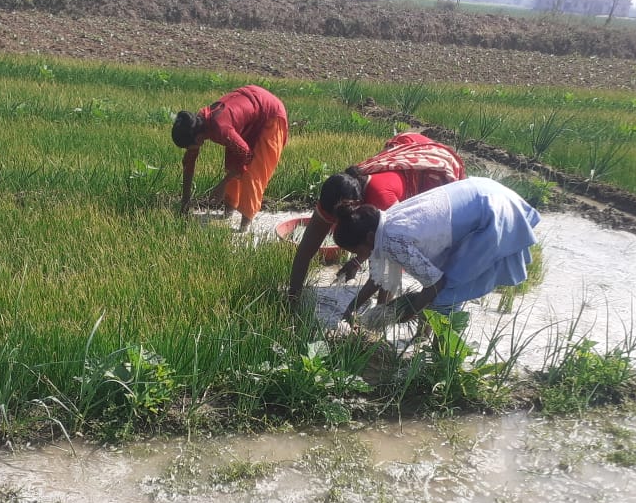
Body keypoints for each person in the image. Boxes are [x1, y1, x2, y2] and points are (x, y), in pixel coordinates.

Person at [287, 132, 466, 313]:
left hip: (429, 168)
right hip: (404, 149)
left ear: (359, 206)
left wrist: (378, 314)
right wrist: (292, 300)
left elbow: (392, 261)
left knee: (433, 259)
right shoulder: (334, 196)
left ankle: (430, 316)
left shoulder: (383, 201)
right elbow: (305, 251)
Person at [330, 176, 540, 326]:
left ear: (368, 238)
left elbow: (435, 285)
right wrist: (350, 310)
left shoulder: (393, 240)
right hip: (482, 191)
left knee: (446, 294)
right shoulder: (385, 222)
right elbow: (379, 279)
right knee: (446, 283)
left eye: (357, 251)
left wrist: (405, 313)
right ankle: (435, 345)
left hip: (491, 210)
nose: (359, 256)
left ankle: (443, 358)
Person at [171, 85, 288, 232]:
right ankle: (228, 211)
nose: (189, 150)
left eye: (189, 147)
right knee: (232, 163)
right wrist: (185, 203)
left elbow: (247, 156)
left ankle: (243, 227)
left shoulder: (221, 129)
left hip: (270, 113)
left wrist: (222, 184)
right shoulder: (197, 124)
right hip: (250, 110)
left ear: (198, 138)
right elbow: (189, 164)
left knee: (253, 172)